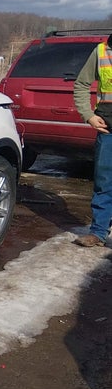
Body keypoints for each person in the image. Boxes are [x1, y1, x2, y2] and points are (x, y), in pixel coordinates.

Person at [73, 35, 112, 247]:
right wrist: (88, 115)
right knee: (104, 182)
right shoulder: (101, 51)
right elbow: (81, 84)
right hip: (108, 130)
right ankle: (98, 232)